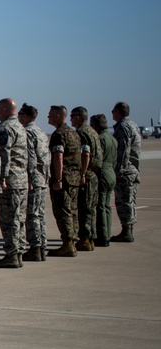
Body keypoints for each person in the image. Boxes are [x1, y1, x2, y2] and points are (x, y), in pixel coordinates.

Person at [0, 98, 29, 268]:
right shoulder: (22, 128)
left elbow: (3, 156)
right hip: (21, 179)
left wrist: (2, 178)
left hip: (11, 180)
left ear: (6, 109)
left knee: (9, 219)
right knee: (19, 218)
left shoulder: (5, 128)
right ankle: (19, 252)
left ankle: (12, 254)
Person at [47, 105, 82, 257]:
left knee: (63, 212)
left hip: (64, 179)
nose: (47, 117)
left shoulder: (59, 134)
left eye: (50, 115)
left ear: (58, 117)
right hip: (74, 178)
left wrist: (58, 179)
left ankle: (68, 244)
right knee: (72, 211)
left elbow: (58, 156)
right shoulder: (73, 133)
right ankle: (72, 241)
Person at [19, 103, 50, 261]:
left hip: (34, 178)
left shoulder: (28, 132)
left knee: (32, 215)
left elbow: (30, 157)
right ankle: (42, 246)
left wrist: (30, 177)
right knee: (39, 214)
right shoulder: (41, 132)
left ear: (25, 116)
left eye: (20, 114)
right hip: (42, 177)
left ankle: (36, 248)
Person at [70, 107, 102, 251]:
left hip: (86, 175)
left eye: (72, 116)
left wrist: (82, 174)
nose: (70, 119)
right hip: (93, 174)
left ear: (78, 117)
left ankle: (85, 239)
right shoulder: (92, 131)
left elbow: (85, 154)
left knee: (84, 208)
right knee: (91, 208)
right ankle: (90, 239)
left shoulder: (82, 132)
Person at [111, 102, 141, 242]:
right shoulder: (133, 125)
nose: (112, 113)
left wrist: (119, 170)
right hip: (133, 169)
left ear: (118, 112)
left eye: (113, 111)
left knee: (124, 201)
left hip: (126, 171)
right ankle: (128, 230)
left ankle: (127, 231)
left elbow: (123, 151)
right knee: (129, 200)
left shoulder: (123, 127)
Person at [91, 113, 116, 248]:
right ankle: (107, 234)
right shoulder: (112, 139)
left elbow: (97, 159)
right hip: (111, 172)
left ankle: (102, 236)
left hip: (103, 173)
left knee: (100, 205)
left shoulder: (100, 139)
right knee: (106, 206)